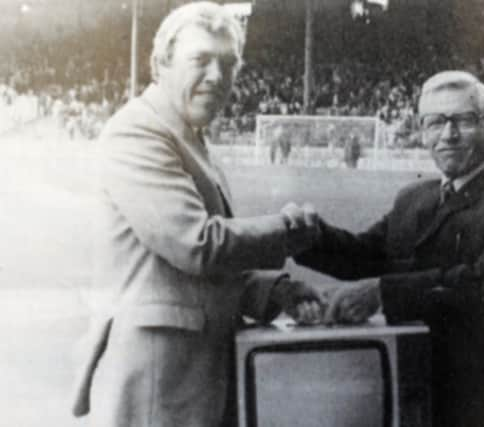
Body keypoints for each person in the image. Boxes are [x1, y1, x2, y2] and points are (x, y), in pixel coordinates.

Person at [70, 3, 323, 427]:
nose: (216, 76)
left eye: (227, 64)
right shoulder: (138, 132)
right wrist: (287, 229)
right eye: (200, 60)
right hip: (159, 382)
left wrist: (276, 292)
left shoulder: (189, 139)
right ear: (161, 65)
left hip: (191, 377)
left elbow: (201, 278)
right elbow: (196, 244)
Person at [295, 71, 484, 427]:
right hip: (409, 399)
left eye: (464, 121)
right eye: (435, 123)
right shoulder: (414, 198)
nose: (448, 135)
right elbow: (367, 256)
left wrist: (382, 292)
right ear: (422, 132)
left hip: (483, 409)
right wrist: (306, 235)